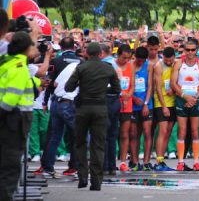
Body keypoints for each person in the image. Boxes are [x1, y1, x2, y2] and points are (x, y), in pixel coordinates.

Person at [66, 42, 120, 191]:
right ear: (101, 54)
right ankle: (96, 181)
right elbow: (117, 89)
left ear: (87, 54)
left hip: (83, 108)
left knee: (80, 142)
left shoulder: (81, 67)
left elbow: (68, 87)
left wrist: (81, 85)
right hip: (101, 108)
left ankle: (83, 175)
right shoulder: (108, 68)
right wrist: (103, 89)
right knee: (98, 144)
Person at [0, 31, 41, 201]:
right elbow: (12, 97)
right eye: (33, 45)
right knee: (11, 164)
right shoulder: (20, 67)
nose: (35, 48)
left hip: (10, 117)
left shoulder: (7, 64)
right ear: (25, 48)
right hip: (15, 118)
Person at [41, 36, 83, 177]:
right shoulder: (81, 62)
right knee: (77, 135)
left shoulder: (55, 61)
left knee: (54, 136)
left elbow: (49, 83)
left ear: (61, 47)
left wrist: (45, 101)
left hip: (57, 102)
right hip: (73, 103)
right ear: (74, 47)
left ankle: (47, 167)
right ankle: (75, 166)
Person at [172, 38, 199, 171]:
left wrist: (194, 98)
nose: (190, 52)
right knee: (182, 130)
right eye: (188, 50)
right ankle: (180, 161)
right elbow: (173, 83)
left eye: (193, 50)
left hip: (195, 99)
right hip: (182, 98)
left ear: (197, 50)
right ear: (184, 50)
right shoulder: (179, 63)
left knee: (195, 130)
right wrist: (185, 96)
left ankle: (196, 162)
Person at [129, 46, 154, 170]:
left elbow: (150, 86)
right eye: (139, 60)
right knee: (134, 134)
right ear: (135, 57)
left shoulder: (148, 66)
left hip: (146, 104)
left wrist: (146, 103)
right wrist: (133, 98)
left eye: (143, 60)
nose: (141, 62)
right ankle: (134, 161)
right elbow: (126, 86)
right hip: (133, 104)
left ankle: (146, 161)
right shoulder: (130, 66)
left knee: (147, 132)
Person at [153, 46, 177, 171]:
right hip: (161, 103)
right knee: (162, 131)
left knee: (168, 131)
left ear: (174, 56)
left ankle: (162, 160)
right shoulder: (158, 66)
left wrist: (173, 89)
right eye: (166, 60)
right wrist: (163, 107)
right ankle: (158, 161)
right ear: (163, 57)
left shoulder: (177, 64)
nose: (168, 62)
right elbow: (157, 88)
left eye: (170, 60)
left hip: (173, 102)